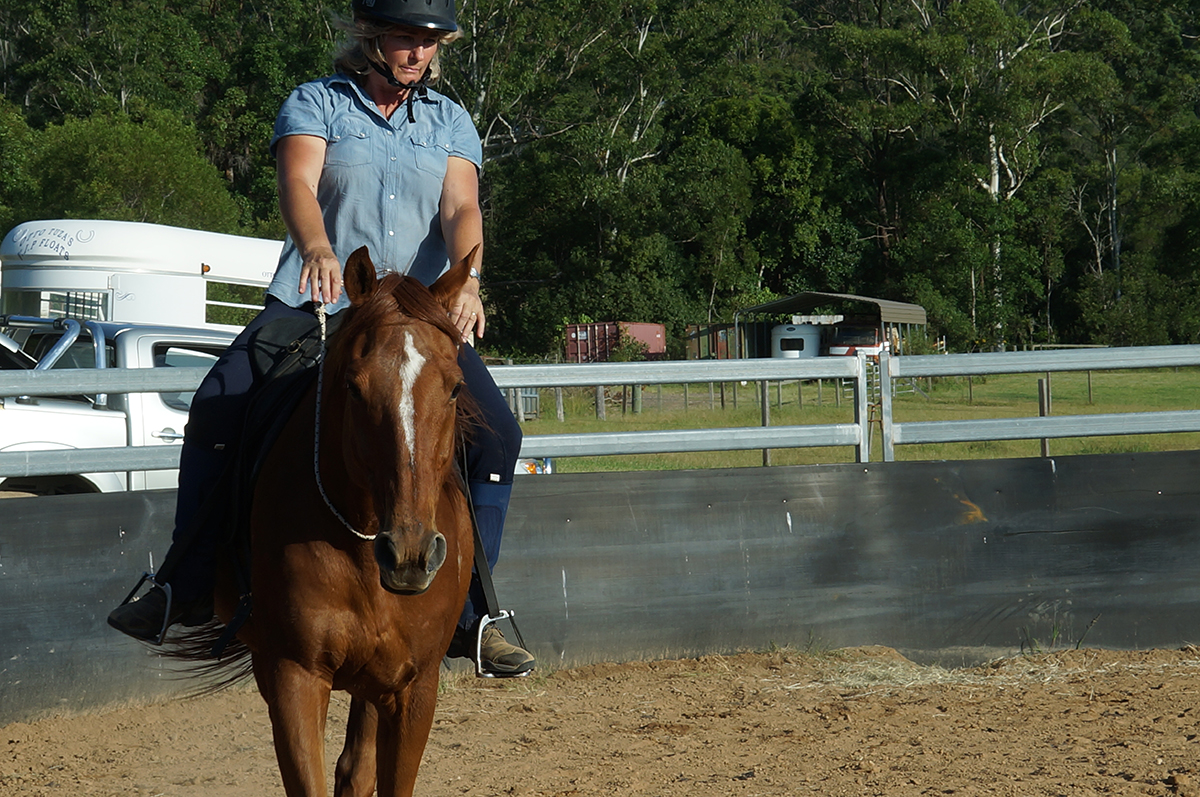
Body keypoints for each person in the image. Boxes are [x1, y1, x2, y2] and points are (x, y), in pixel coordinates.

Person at [107, 0, 535, 677]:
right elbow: (299, 183)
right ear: (372, 37)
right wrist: (317, 246)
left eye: (427, 41)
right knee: (221, 399)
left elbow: (461, 207)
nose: (417, 52)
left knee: (499, 437)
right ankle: (182, 582)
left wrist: (472, 278)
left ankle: (473, 612)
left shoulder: (451, 120)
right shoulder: (318, 104)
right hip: (320, 299)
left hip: (417, 317)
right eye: (404, 37)